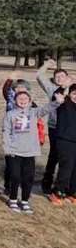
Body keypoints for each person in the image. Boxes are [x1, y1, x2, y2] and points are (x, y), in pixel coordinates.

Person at [3, 89, 61, 213]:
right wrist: (7, 147)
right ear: (15, 101)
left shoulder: (34, 113)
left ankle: (25, 201)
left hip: (30, 151)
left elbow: (46, 109)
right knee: (15, 176)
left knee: (28, 177)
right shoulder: (10, 114)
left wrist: (57, 102)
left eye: (25, 99)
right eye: (20, 99)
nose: (23, 101)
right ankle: (13, 199)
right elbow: (6, 131)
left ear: (30, 101)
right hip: (15, 151)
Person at [36, 59, 71, 194]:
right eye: (57, 77)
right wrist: (45, 65)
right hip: (55, 126)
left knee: (68, 156)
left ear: (67, 77)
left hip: (70, 128)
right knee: (54, 154)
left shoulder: (73, 88)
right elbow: (39, 76)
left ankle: (64, 184)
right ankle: (47, 181)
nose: (60, 78)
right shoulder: (51, 89)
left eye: (62, 76)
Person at [51, 85, 76, 205]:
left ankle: (72, 191)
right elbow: (55, 97)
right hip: (66, 139)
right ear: (69, 94)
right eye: (74, 94)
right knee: (67, 166)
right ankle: (58, 190)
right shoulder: (64, 104)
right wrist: (62, 87)